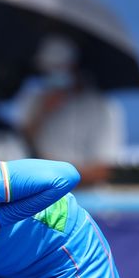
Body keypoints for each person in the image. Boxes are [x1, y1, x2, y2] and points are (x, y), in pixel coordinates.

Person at [20, 35, 125, 186]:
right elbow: (18, 150)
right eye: (47, 70)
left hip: (88, 199)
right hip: (39, 193)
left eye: (59, 68)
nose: (52, 75)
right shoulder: (34, 99)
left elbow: (103, 170)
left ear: (76, 67)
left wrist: (54, 175)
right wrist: (42, 113)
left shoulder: (104, 107)